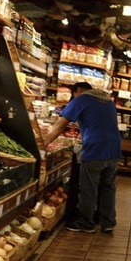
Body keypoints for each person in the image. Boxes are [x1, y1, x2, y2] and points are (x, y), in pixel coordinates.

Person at [44, 81, 122, 233]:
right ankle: (108, 222)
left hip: (95, 149)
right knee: (108, 187)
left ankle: (86, 223)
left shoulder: (81, 99)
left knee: (89, 187)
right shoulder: (107, 101)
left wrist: (43, 143)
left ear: (78, 90)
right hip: (114, 148)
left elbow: (60, 125)